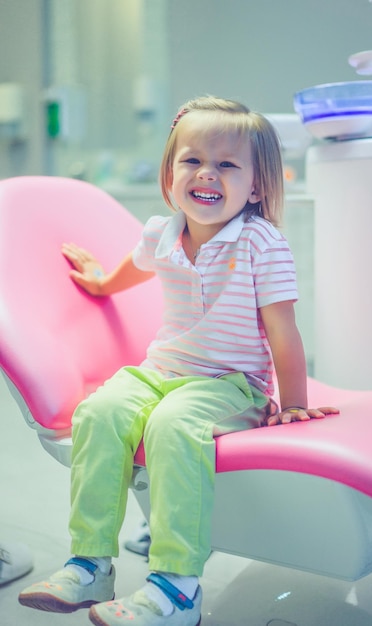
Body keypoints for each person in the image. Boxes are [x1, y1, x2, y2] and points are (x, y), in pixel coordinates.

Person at [18, 95, 338, 626]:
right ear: (170, 175)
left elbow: (283, 331)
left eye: (227, 164)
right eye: (192, 160)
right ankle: (90, 562)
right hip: (163, 369)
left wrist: (294, 403)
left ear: (255, 186)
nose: (206, 173)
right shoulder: (162, 233)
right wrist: (101, 282)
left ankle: (177, 587)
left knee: (170, 427)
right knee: (98, 413)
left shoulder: (262, 243)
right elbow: (135, 265)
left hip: (231, 382)